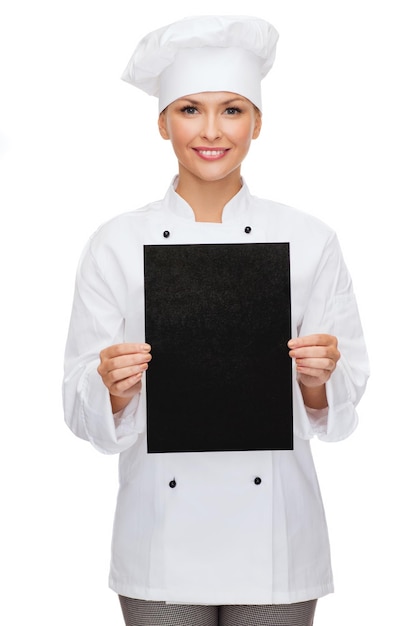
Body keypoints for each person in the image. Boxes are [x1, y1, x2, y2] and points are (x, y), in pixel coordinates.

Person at [63, 15, 369, 626]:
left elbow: (343, 409)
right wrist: (111, 388)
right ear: (161, 123)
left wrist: (317, 378)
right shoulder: (116, 243)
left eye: (231, 110)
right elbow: (79, 410)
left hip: (275, 548)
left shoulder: (309, 240)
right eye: (188, 110)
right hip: (161, 547)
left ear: (258, 121)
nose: (210, 131)